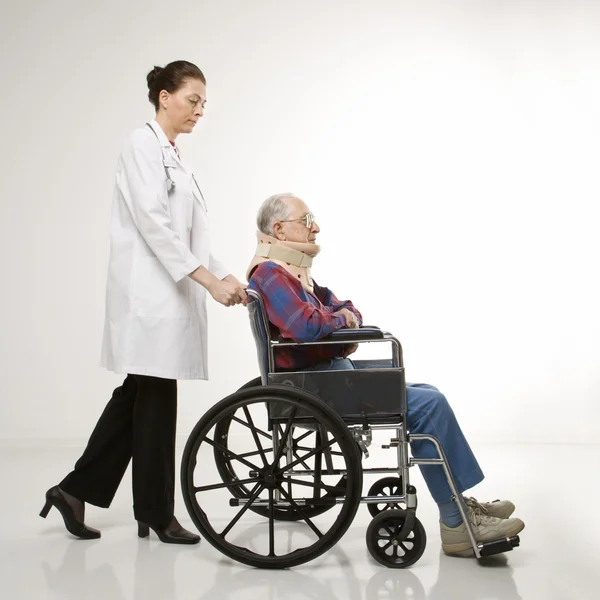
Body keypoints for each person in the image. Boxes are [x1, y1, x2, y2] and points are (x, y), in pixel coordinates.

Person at [247, 193, 525, 557]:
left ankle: (460, 505)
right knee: (428, 405)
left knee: (427, 393)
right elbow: (307, 326)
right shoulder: (270, 273)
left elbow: (346, 307)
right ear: (278, 228)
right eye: (307, 218)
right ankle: (457, 521)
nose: (315, 227)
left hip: (327, 377)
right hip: (315, 388)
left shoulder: (294, 275)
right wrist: (340, 325)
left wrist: (341, 322)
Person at [40, 61, 247, 545]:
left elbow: (192, 234)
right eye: (192, 99)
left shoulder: (177, 158)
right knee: (153, 401)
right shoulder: (141, 145)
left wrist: (222, 274)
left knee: (140, 398)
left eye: (203, 103)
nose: (199, 110)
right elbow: (155, 224)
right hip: (149, 296)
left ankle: (75, 491)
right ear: (163, 97)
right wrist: (206, 281)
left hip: (170, 293)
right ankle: (154, 511)